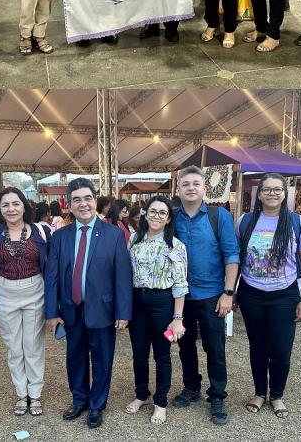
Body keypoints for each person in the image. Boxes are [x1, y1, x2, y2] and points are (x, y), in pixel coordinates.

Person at [45, 177, 132, 429]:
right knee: (75, 357)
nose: (83, 204)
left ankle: (96, 404)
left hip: (103, 310)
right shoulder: (60, 236)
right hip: (71, 311)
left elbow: (122, 276)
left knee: (102, 359)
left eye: (87, 198)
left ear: (96, 201)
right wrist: (52, 313)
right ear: (69, 205)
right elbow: (52, 277)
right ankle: (79, 399)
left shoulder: (114, 234)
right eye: (77, 200)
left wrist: (123, 312)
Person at [235, 174, 301, 419]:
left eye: (277, 189)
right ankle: (260, 392)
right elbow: (235, 258)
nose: (271, 193)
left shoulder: (297, 222)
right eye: (266, 189)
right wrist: (232, 291)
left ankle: (277, 394)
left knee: (281, 348)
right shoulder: (245, 221)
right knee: (257, 346)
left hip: (285, 294)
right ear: (259, 194)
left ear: (284, 193)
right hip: (251, 293)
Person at [172, 166, 239, 425]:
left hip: (212, 294)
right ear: (178, 189)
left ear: (204, 188)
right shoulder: (172, 217)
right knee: (185, 345)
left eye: (196, 183)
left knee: (215, 347)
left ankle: (217, 394)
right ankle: (191, 386)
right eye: (185, 184)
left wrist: (228, 292)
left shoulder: (218, 216)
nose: (190, 188)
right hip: (180, 296)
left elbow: (231, 255)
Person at [0, 188, 50, 416]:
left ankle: (35, 395)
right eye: (5, 205)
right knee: (14, 347)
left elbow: (52, 264)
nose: (11, 209)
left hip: (35, 289)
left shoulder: (40, 231)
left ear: (24, 206)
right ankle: (21, 394)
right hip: (4, 292)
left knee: (33, 345)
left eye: (16, 204)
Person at [127, 196, 188, 426]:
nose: (156, 216)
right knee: (139, 353)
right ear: (145, 213)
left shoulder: (176, 245)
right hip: (137, 302)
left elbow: (181, 284)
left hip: (163, 303)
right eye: (153, 211)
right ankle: (141, 394)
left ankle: (161, 402)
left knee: (162, 354)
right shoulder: (134, 240)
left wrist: (177, 318)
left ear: (169, 218)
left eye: (162, 213)